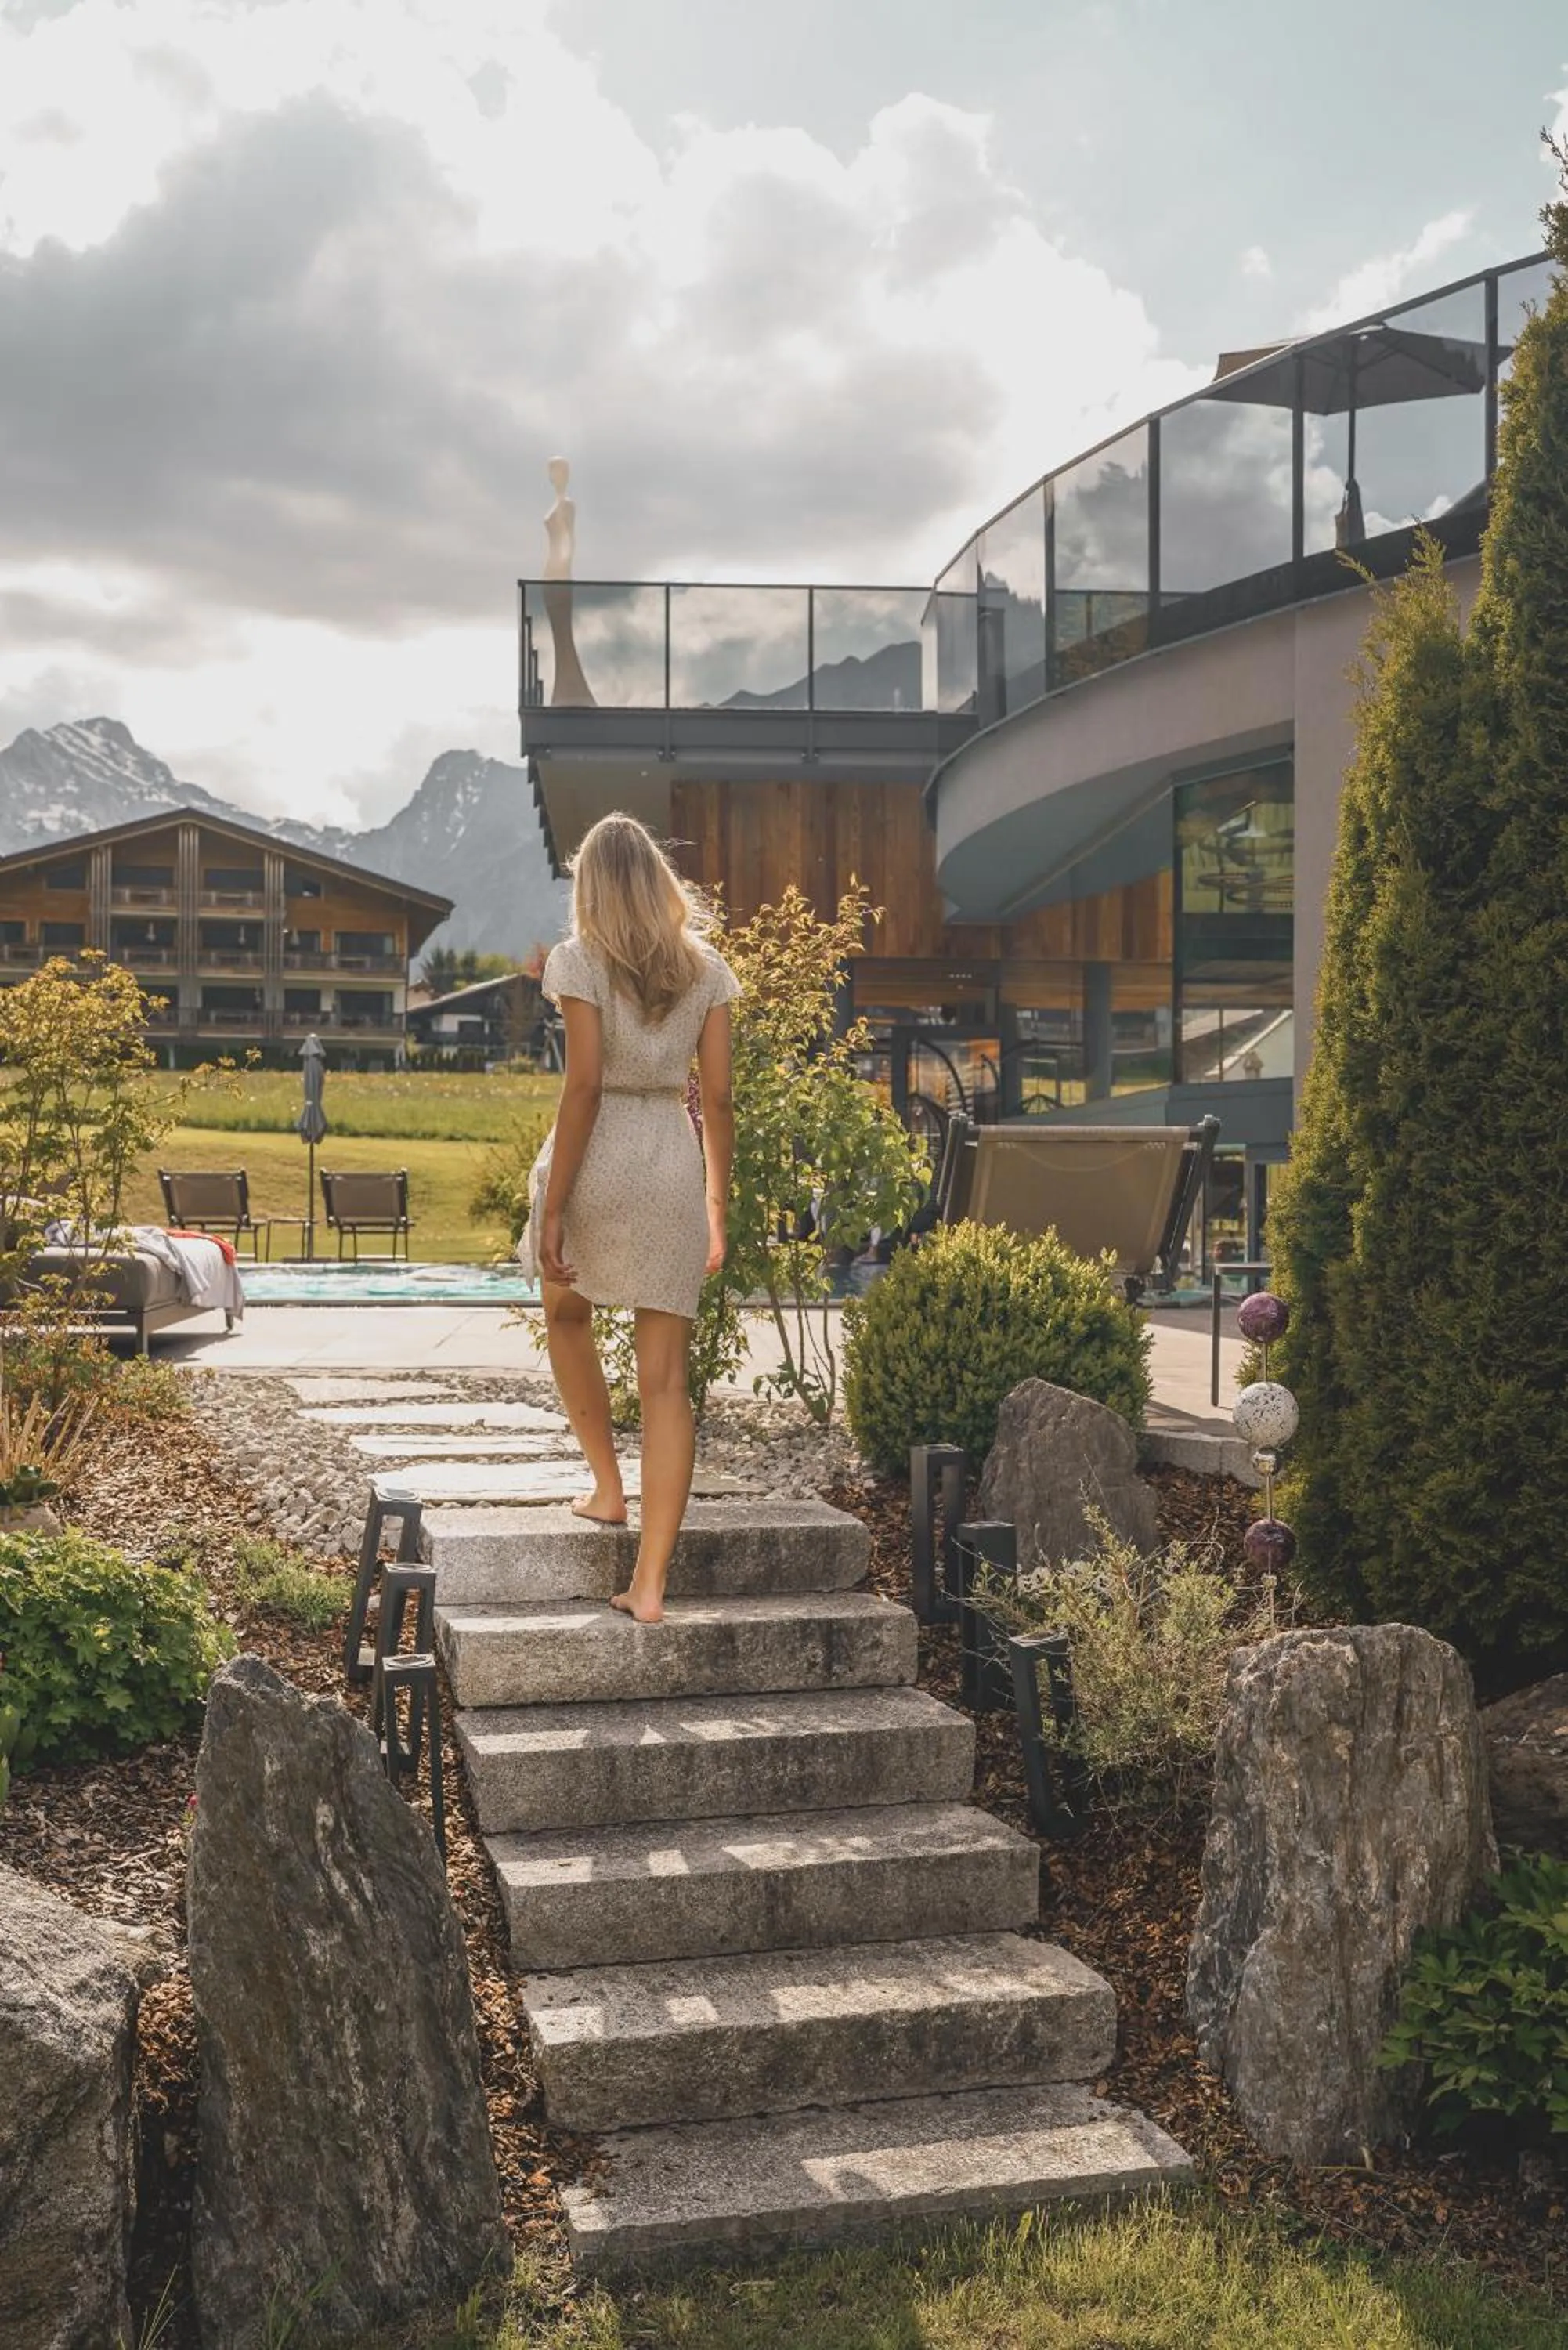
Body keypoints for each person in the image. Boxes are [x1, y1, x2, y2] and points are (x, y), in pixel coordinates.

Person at [520, 812, 739, 1622]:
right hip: (672, 1164)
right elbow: (714, 1098)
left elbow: (581, 1087)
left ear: (590, 887)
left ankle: (607, 1488)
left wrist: (553, 1211)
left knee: (564, 1310)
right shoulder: (706, 969)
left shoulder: (579, 960)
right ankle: (649, 1585)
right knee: (666, 1383)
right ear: (656, 882)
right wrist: (716, 1203)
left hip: (600, 1156)